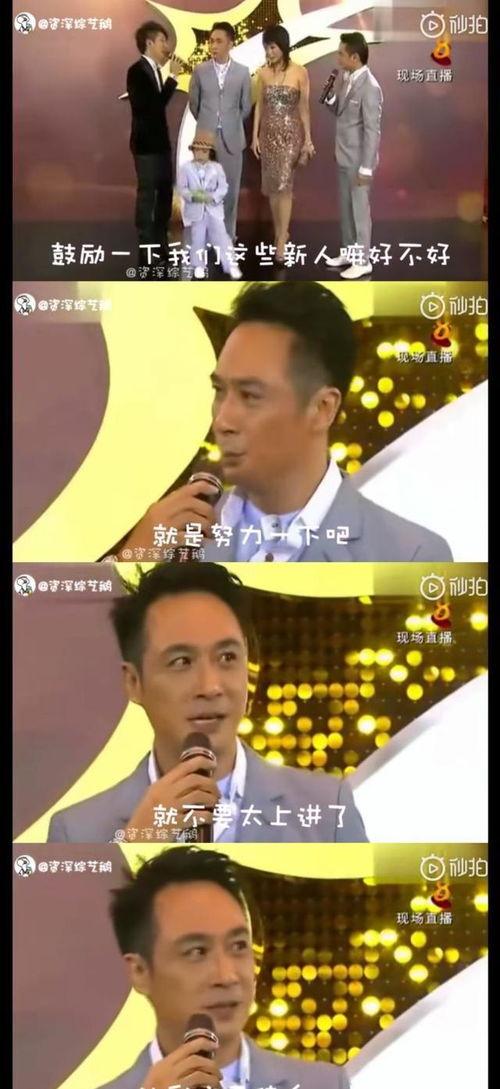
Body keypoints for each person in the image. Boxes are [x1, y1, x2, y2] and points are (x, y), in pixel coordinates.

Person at [120, 282, 453, 562]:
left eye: (250, 395)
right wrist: (128, 564)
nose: (222, 420)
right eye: (220, 391)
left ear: (322, 408)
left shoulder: (411, 554)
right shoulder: (170, 533)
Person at [47, 562, 367, 843]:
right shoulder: (78, 831)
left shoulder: (328, 809)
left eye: (227, 657)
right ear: (133, 683)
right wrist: (134, 847)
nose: (210, 687)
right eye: (181, 662)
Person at [95, 847, 351, 1089]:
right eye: (197, 952)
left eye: (238, 946)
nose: (227, 976)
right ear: (140, 972)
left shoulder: (326, 1083)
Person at [322, 32, 383, 280]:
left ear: (354, 57)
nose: (337, 58)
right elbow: (340, 111)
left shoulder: (370, 87)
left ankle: (363, 261)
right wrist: (330, 97)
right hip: (343, 156)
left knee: (359, 212)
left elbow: (372, 130)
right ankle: (349, 252)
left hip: (359, 161)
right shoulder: (346, 78)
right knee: (346, 210)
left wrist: (366, 167)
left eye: (341, 54)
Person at [252, 25, 314, 264]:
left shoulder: (300, 72)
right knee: (272, 186)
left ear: (283, 47)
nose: (269, 52)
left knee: (284, 185)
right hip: (268, 135)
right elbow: (259, 105)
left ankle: (281, 240)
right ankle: (280, 231)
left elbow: (304, 108)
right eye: (266, 48)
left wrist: (308, 139)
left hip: (290, 136)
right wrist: (255, 136)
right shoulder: (263, 73)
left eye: (273, 47)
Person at [126, 22, 184, 266]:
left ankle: (161, 246)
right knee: (148, 196)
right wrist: (173, 78)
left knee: (164, 197)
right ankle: (147, 250)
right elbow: (151, 107)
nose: (166, 46)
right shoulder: (136, 72)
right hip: (146, 146)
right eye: (162, 41)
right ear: (149, 43)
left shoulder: (155, 71)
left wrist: (168, 77)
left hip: (161, 145)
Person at [189, 23, 252, 241]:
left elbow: (246, 107)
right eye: (211, 41)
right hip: (205, 140)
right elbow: (194, 104)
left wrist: (228, 122)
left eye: (219, 41)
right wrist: (207, 122)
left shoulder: (243, 72)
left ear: (230, 43)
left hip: (232, 138)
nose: (213, 46)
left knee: (230, 190)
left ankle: (228, 234)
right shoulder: (200, 71)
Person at [177, 129, 242, 280]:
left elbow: (223, 187)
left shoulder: (216, 168)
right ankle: (198, 265)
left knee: (222, 238)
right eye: (197, 150)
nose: (200, 154)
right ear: (193, 151)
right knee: (197, 239)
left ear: (210, 153)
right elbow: (182, 188)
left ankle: (231, 265)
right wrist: (194, 196)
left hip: (213, 209)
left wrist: (213, 197)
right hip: (196, 211)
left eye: (204, 151)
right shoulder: (186, 169)